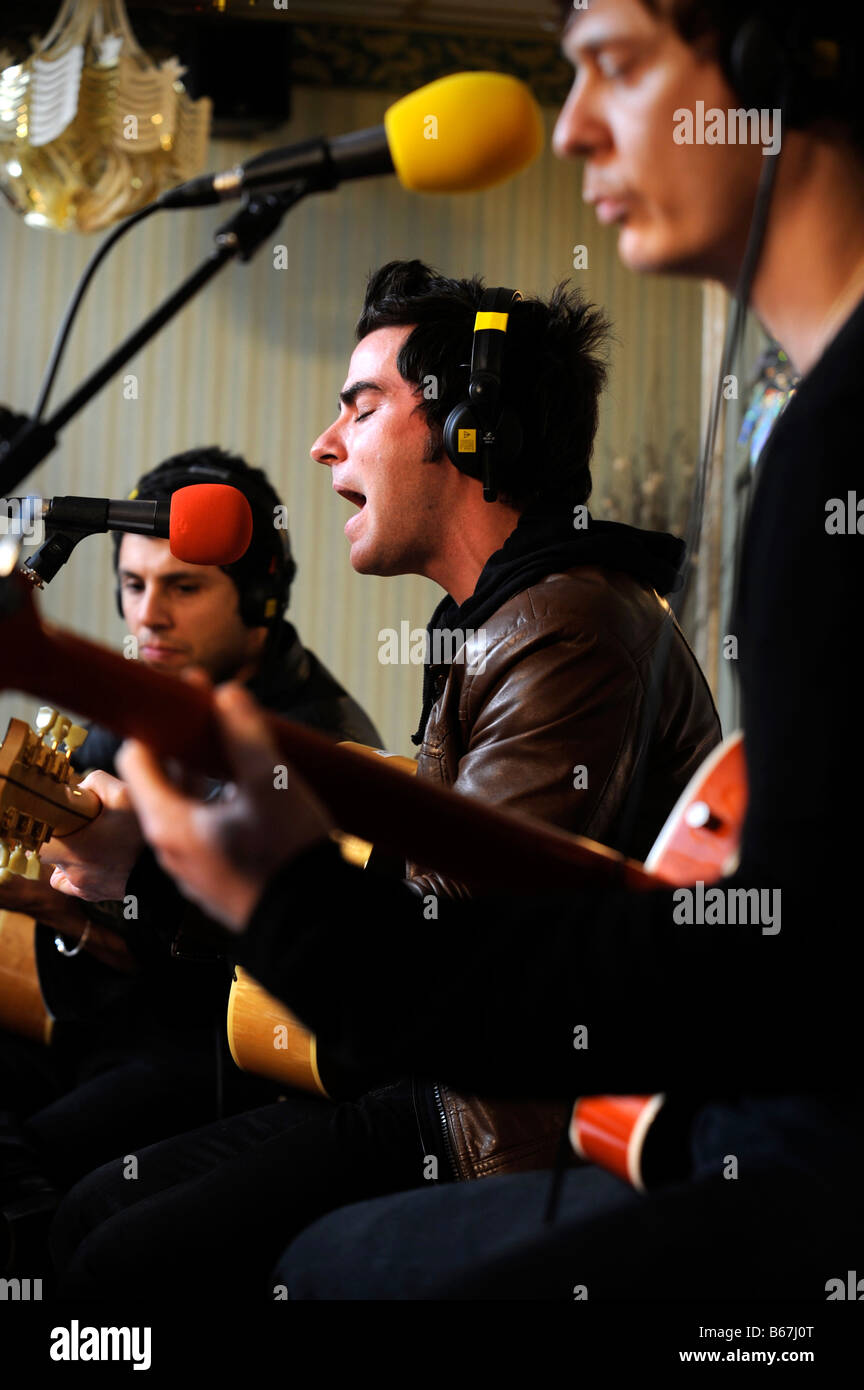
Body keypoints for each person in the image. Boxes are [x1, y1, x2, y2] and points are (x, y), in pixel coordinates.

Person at [55, 0, 864, 1303]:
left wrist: (281, 892)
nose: (572, 123)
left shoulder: (586, 613)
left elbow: (665, 961)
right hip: (462, 1082)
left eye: (611, 62)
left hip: (524, 1127)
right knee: (107, 1220)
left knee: (157, 1258)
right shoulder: (513, 611)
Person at [45, 266, 720, 1297]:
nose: (326, 443)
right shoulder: (504, 616)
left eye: (358, 406)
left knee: (121, 1255)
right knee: (100, 1209)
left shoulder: (568, 627)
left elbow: (463, 965)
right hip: (438, 1087)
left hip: (494, 1120)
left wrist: (205, 863)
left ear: (469, 429)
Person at [0, 446, 380, 1269]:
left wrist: (79, 899)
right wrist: (53, 901)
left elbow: (280, 982)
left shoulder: (322, 751)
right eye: (133, 586)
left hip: (230, 1050)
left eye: (183, 586)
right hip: (115, 1009)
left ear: (259, 597)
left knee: (39, 1164)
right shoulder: (129, 705)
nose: (148, 618)